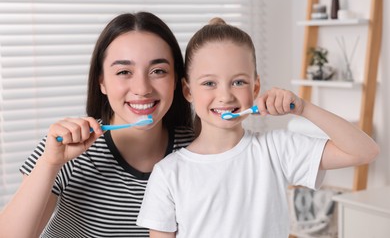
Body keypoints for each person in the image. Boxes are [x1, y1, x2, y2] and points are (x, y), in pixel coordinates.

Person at [136, 18, 380, 237]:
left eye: (238, 82)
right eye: (209, 83)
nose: (225, 95)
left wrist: (303, 108)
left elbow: (364, 151)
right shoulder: (169, 174)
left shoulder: (277, 149)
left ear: (255, 88)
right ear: (188, 90)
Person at [0, 12, 194, 238]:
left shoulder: (197, 151)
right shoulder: (66, 149)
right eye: (124, 72)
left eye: (158, 71)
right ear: (102, 81)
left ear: (176, 81)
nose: (142, 88)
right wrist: (51, 162)